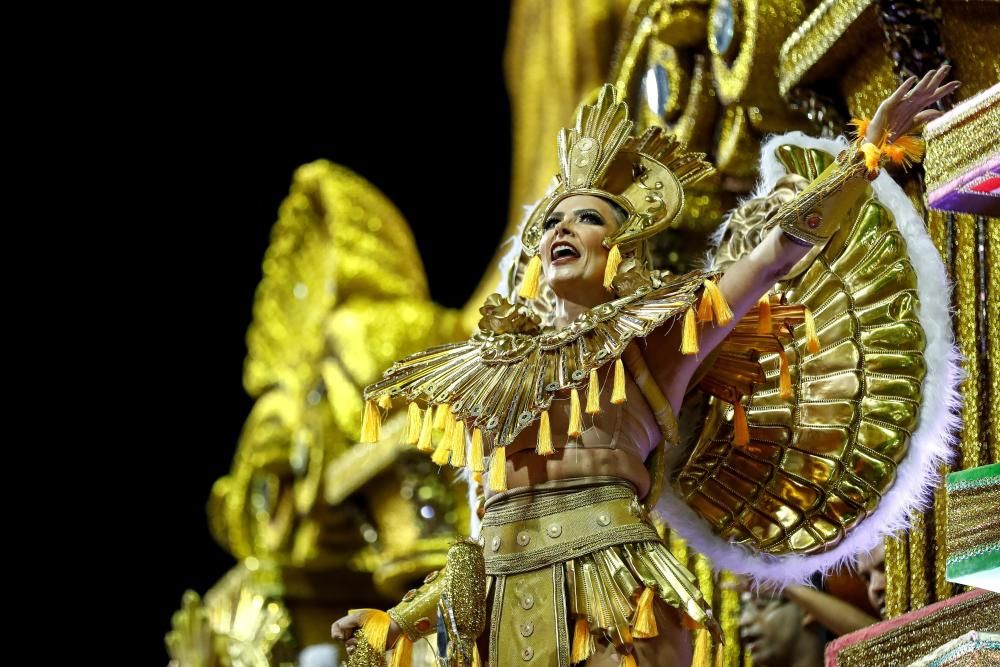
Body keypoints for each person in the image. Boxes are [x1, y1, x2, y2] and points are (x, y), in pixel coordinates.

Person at [332, 68, 958, 667]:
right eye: (552, 220)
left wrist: (863, 157)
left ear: (620, 246)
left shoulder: (656, 340)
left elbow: (771, 258)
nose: (561, 229)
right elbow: (492, 534)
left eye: (587, 218)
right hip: (504, 604)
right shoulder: (490, 368)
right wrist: (408, 615)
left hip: (616, 591)